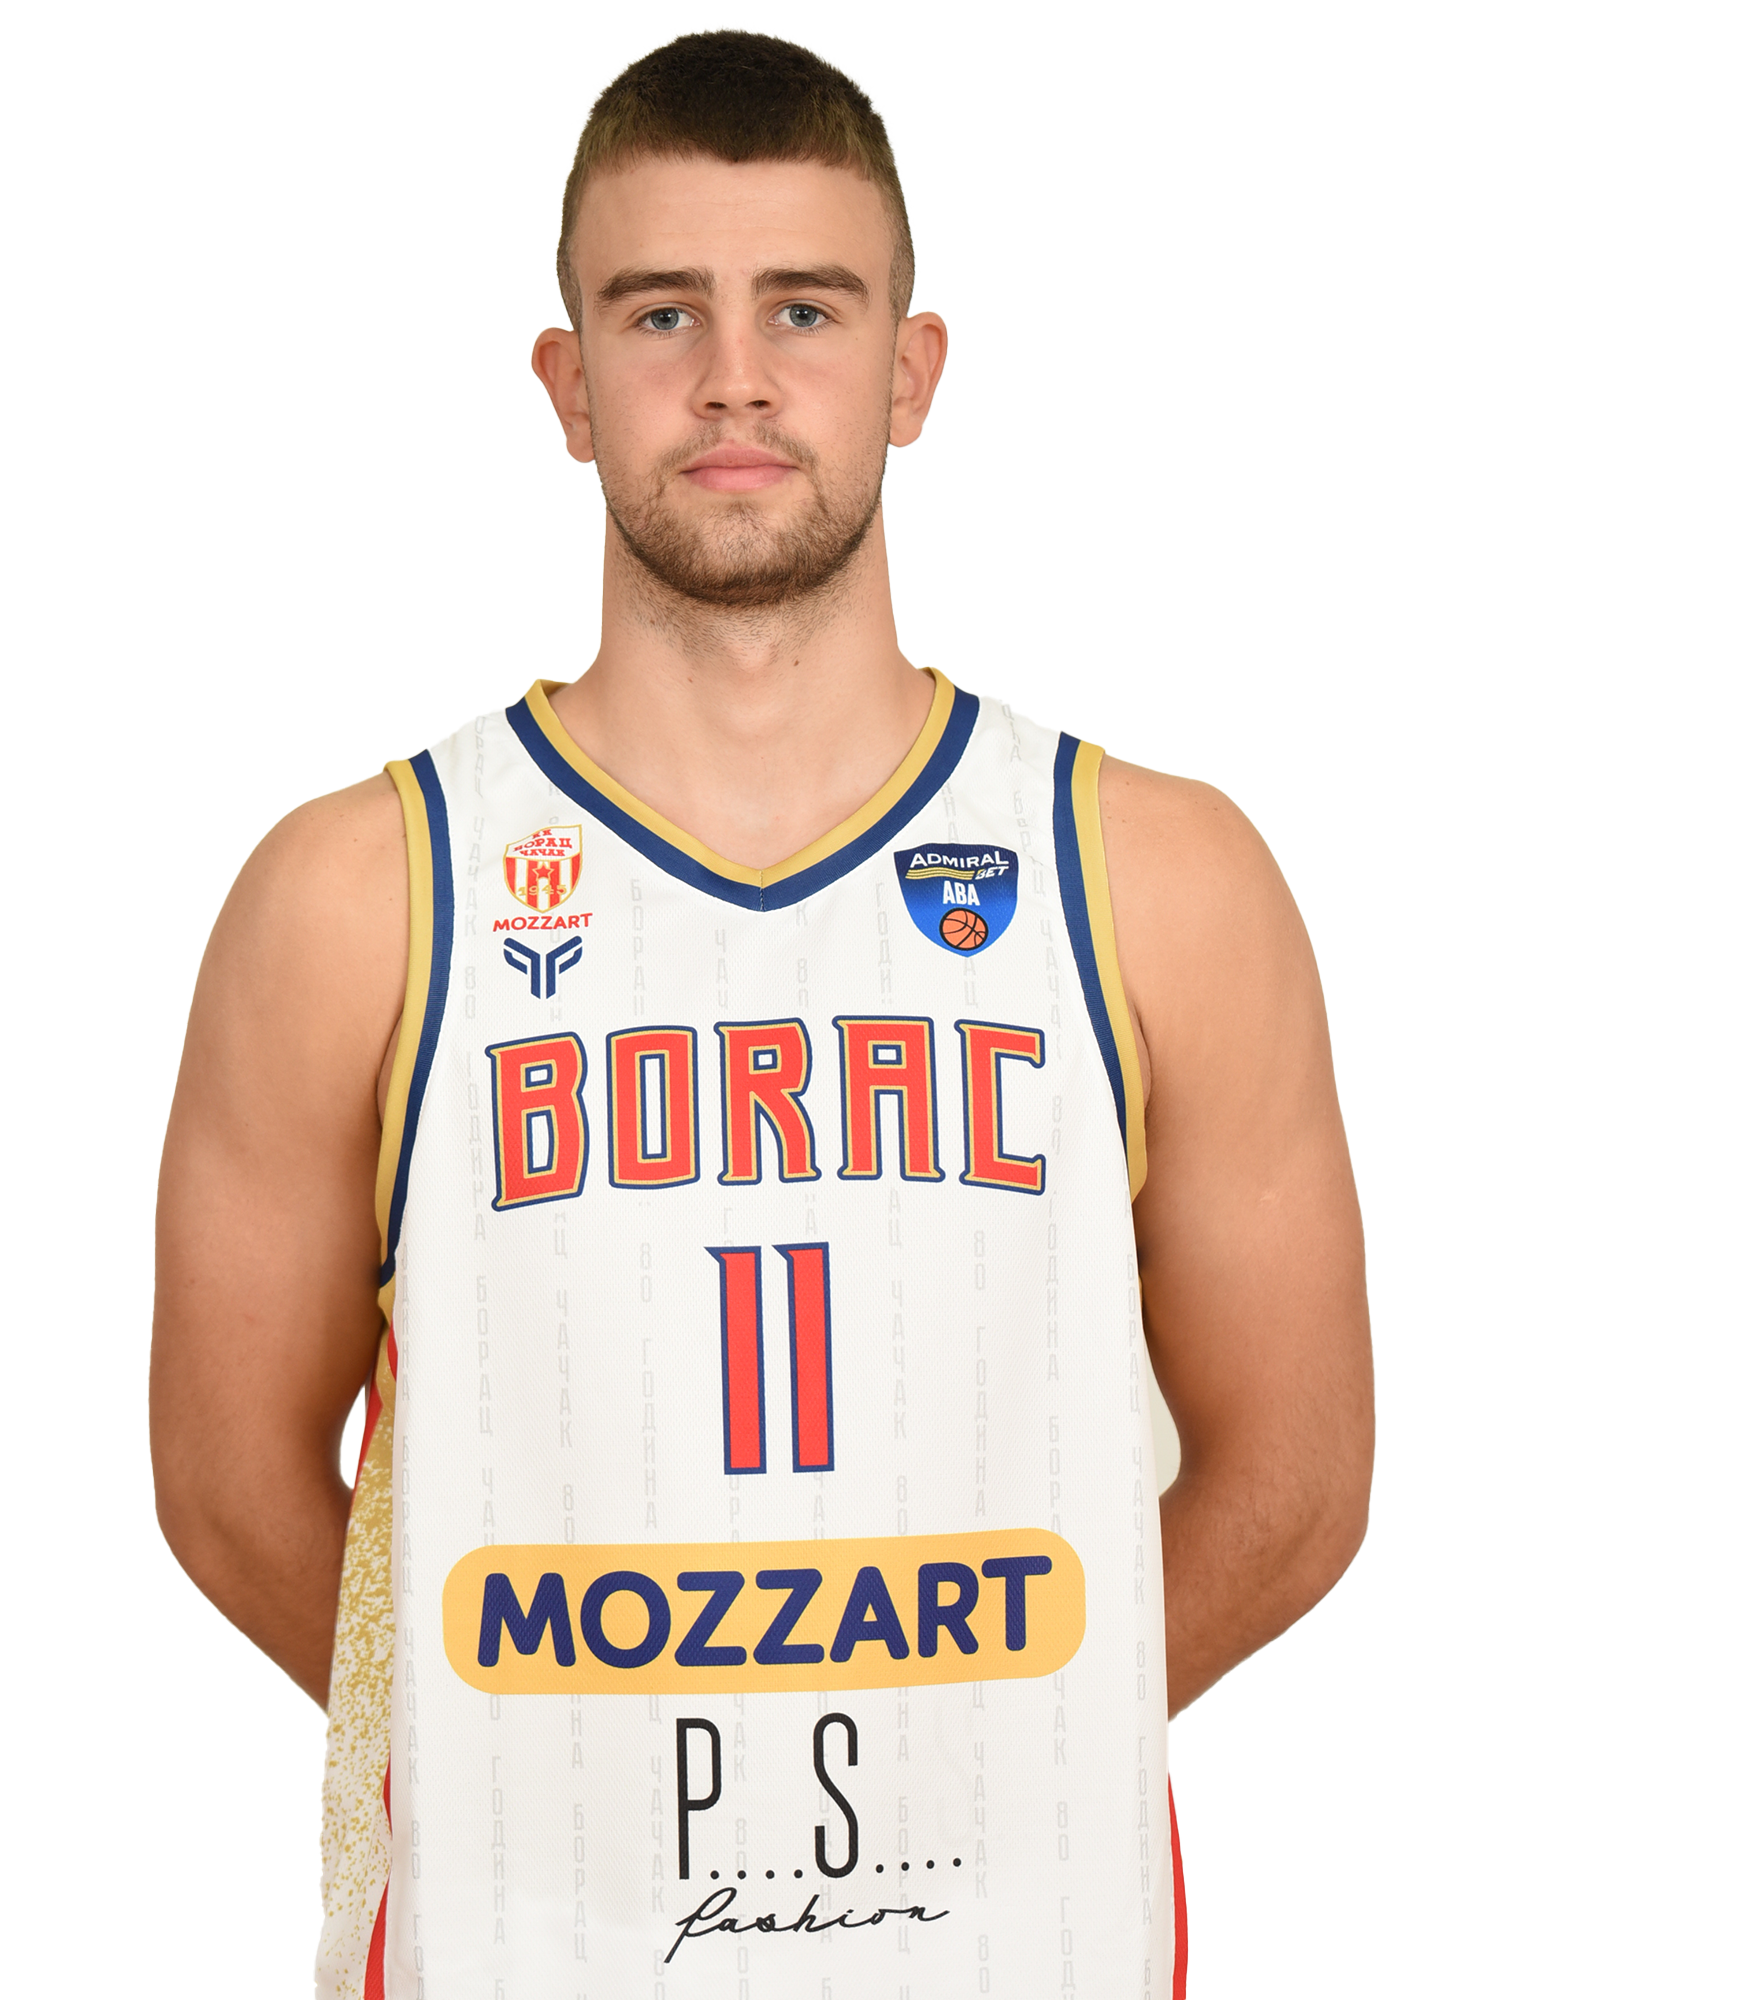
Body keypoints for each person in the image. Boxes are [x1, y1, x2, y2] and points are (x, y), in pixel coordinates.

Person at [150, 27, 1372, 1999]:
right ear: (568, 385)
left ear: (911, 369)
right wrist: (519, 1759)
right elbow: (224, 1478)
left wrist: (993, 1739)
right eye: (661, 313)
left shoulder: (1152, 877)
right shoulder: (357, 895)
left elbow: (1298, 1475)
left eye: (805, 307)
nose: (733, 374)